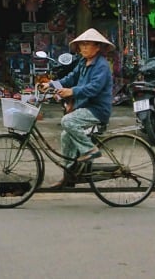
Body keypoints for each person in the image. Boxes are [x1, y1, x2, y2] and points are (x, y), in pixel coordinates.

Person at [40, 28, 115, 190]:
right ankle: (69, 176)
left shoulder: (101, 66)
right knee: (66, 136)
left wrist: (72, 91)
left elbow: (93, 89)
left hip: (97, 109)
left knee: (68, 120)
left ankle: (90, 149)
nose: (83, 48)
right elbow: (70, 78)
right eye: (81, 45)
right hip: (84, 107)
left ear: (97, 47)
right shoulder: (82, 62)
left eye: (87, 45)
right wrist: (52, 84)